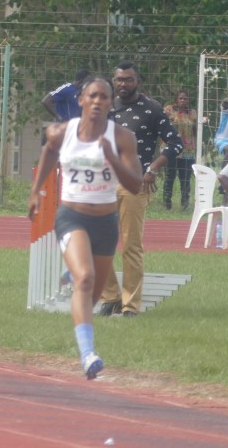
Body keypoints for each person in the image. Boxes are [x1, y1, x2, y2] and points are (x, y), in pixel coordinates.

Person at [28, 77, 142, 379]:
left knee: (90, 296)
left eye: (104, 97)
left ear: (110, 103)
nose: (98, 102)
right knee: (86, 278)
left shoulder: (122, 138)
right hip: (72, 216)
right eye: (92, 96)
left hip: (105, 222)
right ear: (81, 100)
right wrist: (36, 191)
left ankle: (74, 273)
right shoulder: (62, 132)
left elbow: (134, 184)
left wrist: (111, 158)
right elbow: (50, 151)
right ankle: (87, 353)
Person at [99, 62, 183, 318]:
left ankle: (130, 305)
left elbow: (176, 143)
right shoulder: (106, 106)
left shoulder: (152, 109)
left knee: (131, 245)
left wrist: (154, 168)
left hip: (134, 183)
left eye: (128, 79)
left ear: (138, 81)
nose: (123, 84)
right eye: (119, 79)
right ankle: (110, 296)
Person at [163, 89, 197, 211]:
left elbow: (194, 130)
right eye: (181, 98)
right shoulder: (168, 110)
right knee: (170, 176)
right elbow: (163, 127)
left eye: (185, 98)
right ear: (176, 99)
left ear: (188, 100)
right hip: (171, 148)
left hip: (187, 149)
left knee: (185, 177)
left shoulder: (192, 113)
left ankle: (185, 203)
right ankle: (167, 202)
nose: (183, 100)